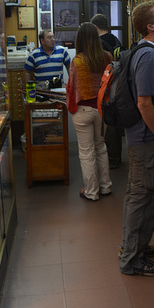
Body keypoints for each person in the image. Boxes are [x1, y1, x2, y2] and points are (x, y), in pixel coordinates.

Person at [119, 1, 154, 277]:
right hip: (146, 138)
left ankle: (135, 245)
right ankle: (132, 258)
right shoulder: (149, 57)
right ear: (151, 26)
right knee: (143, 196)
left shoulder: (143, 52)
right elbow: (144, 103)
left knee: (141, 193)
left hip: (139, 137)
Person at [66, 22, 112, 201]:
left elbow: (71, 89)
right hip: (102, 110)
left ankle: (92, 191)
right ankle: (106, 186)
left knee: (86, 151)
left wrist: (72, 109)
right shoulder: (107, 57)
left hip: (83, 110)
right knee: (101, 147)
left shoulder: (77, 62)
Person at [91, 13, 124, 169]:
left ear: (95, 27)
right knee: (115, 123)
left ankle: (111, 159)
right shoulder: (115, 40)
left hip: (105, 86)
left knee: (107, 125)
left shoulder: (98, 43)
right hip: (118, 85)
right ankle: (116, 157)